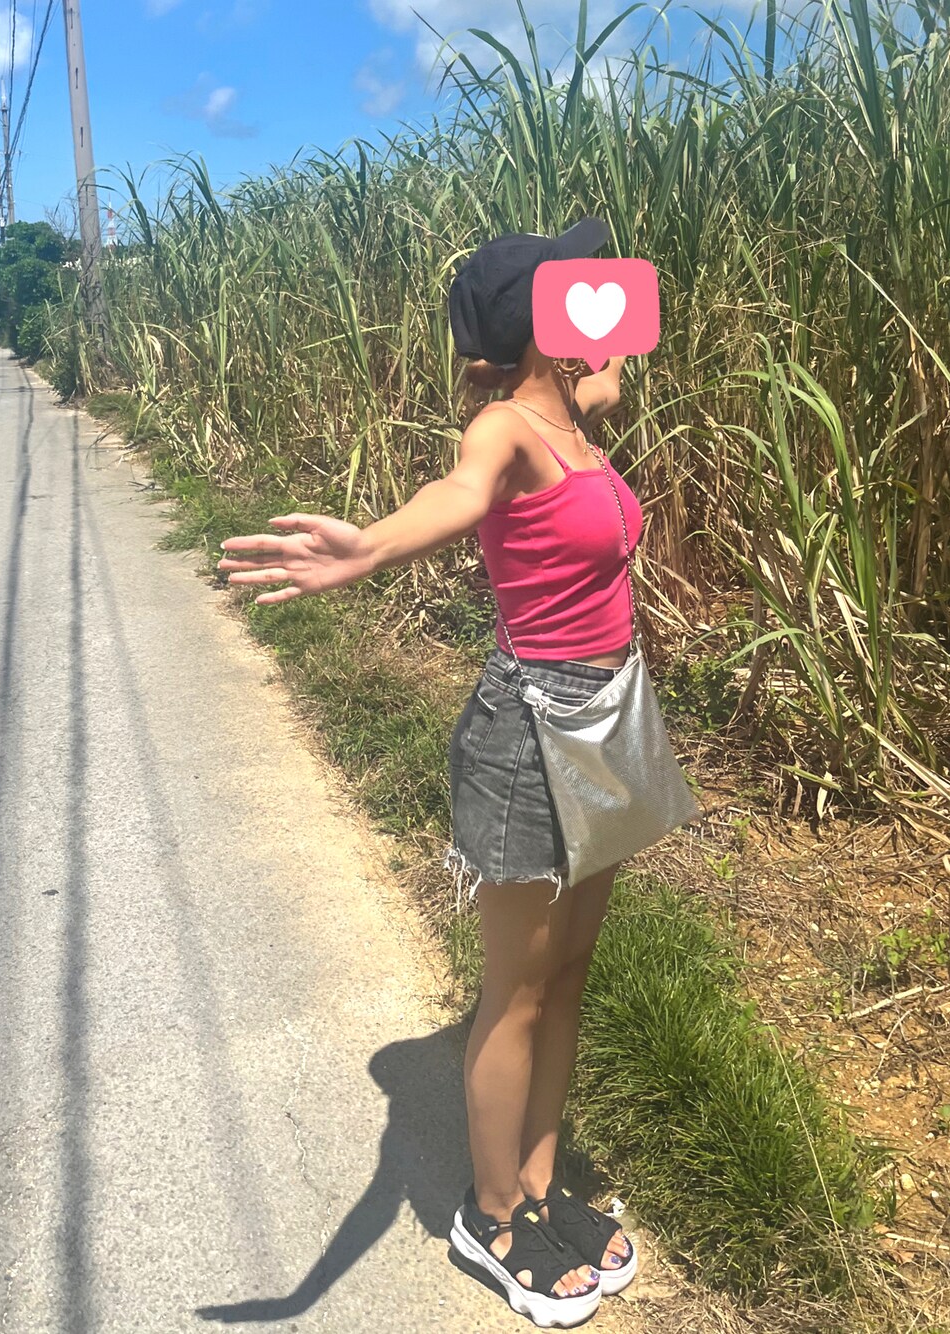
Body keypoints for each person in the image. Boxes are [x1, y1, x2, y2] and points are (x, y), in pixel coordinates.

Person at [218, 217, 639, 1328]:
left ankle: (541, 1184)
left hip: (607, 723)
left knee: (572, 969)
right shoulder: (504, 429)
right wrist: (367, 545)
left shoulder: (576, 411)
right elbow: (456, 496)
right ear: (539, 318)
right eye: (574, 285)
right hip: (528, 735)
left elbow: (616, 366)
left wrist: (612, 331)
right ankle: (490, 1215)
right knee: (518, 990)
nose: (594, 295)